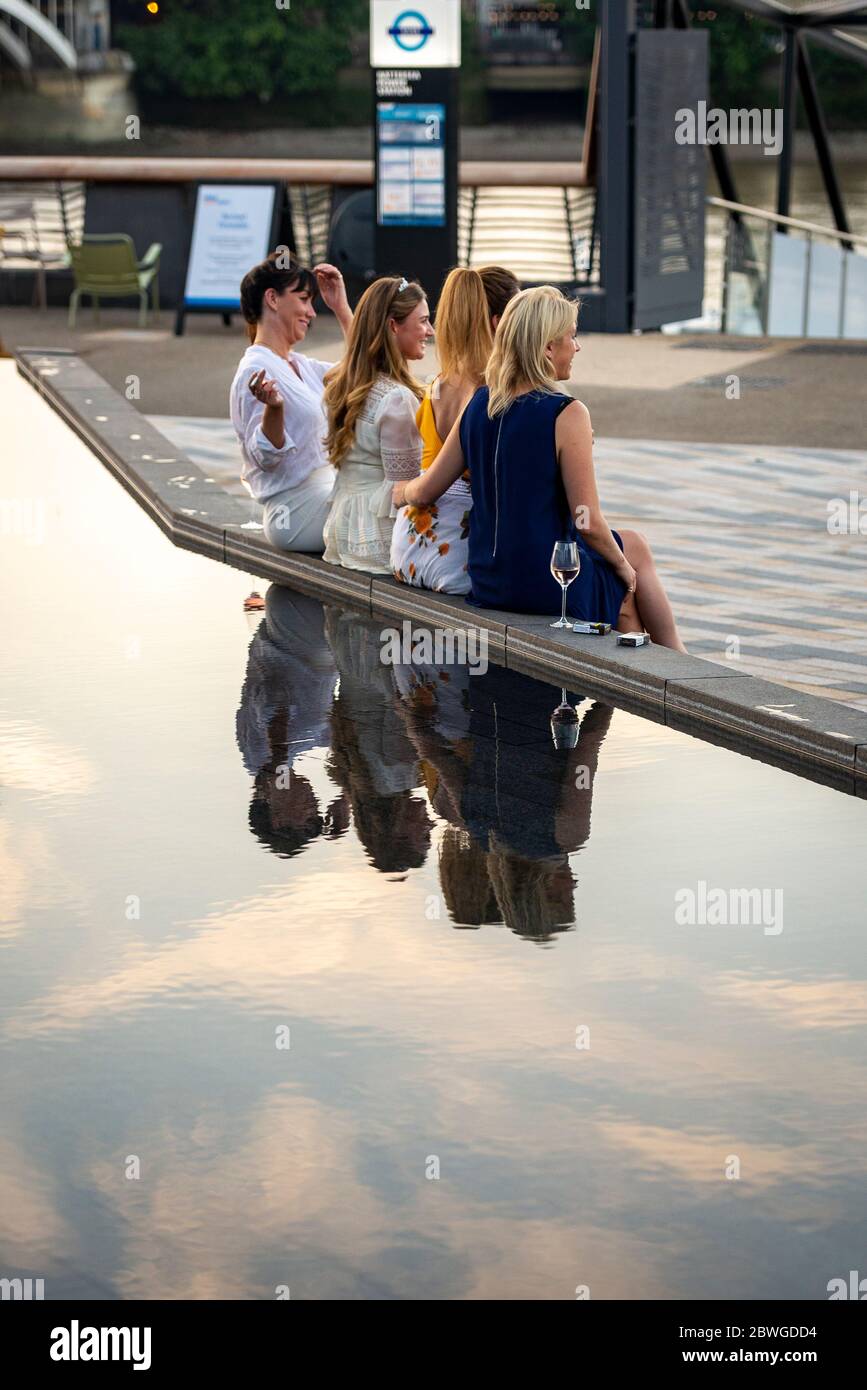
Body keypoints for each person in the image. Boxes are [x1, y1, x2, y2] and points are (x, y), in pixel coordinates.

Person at [394, 286, 686, 651]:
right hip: (551, 582)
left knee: (628, 569)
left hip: (489, 581)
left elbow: (427, 489)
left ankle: (643, 679)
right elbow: (588, 522)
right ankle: (679, 669)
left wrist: (400, 491)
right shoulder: (567, 412)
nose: (576, 347)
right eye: (572, 336)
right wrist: (625, 568)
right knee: (629, 571)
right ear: (548, 348)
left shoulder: (480, 402)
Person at [390, 265, 519, 595]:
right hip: (457, 557)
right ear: (496, 323)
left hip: (408, 547)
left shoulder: (434, 386)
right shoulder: (492, 394)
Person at [230, 251, 353, 553]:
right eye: (303, 300)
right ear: (272, 299)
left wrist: (340, 306)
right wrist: (275, 408)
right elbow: (266, 457)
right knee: (387, 512)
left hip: (325, 494)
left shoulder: (298, 364)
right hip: (295, 512)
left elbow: (364, 370)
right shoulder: (255, 370)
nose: (312, 313)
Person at [321, 276, 429, 574]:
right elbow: (404, 494)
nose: (429, 331)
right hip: (381, 540)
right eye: (422, 322)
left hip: (342, 532)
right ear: (394, 326)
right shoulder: (396, 398)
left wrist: (343, 309)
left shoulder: (339, 384)